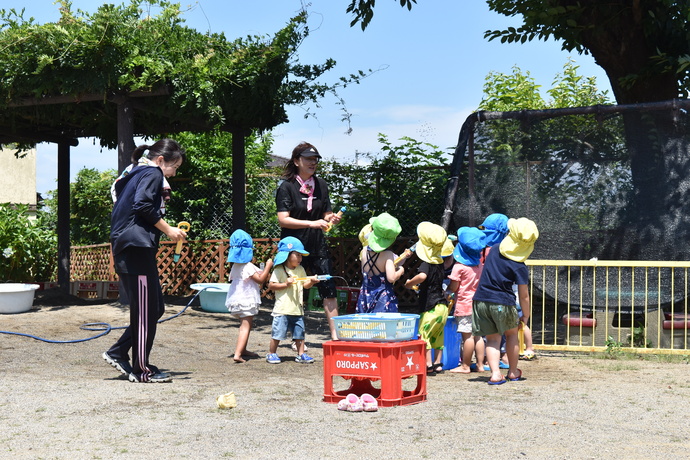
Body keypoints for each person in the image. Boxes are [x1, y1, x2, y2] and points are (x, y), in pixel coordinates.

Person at [102, 139, 187, 383]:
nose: (174, 172)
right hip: (134, 247)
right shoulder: (151, 172)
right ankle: (142, 370)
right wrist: (168, 229)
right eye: (175, 167)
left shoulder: (136, 172)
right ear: (161, 160)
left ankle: (118, 352)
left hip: (135, 248)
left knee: (154, 308)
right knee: (145, 311)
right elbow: (141, 206)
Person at [275, 142, 341, 340]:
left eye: (315, 160)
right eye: (308, 159)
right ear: (296, 161)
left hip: (317, 244)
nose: (313, 163)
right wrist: (311, 224)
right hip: (293, 246)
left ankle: (336, 337)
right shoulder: (286, 187)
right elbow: (283, 219)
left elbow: (326, 214)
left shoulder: (321, 185)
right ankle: (291, 339)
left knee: (328, 287)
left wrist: (332, 219)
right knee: (293, 289)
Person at [472, 217, 539, 385]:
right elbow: (524, 295)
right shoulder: (519, 266)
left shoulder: (493, 250)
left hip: (481, 300)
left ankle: (495, 374)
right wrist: (526, 315)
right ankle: (513, 371)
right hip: (503, 302)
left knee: (492, 339)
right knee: (511, 336)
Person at [404, 222, 449, 376]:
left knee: (424, 335)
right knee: (438, 336)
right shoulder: (440, 263)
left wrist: (410, 283)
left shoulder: (426, 263)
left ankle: (427, 365)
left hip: (430, 307)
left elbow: (422, 276)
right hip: (443, 307)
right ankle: (438, 363)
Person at [224, 229, 274, 363]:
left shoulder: (235, 265)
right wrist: (268, 266)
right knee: (245, 327)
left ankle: (243, 349)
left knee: (244, 325)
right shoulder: (248, 265)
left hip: (236, 299)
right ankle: (238, 354)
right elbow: (261, 279)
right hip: (246, 301)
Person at [267, 237, 318, 364]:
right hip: (282, 309)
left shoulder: (300, 269)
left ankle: (301, 354)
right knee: (278, 333)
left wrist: (311, 282)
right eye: (297, 255)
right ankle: (272, 353)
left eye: (301, 256)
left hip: (297, 309)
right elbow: (271, 286)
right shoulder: (279, 270)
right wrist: (285, 284)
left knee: (299, 334)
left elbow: (304, 285)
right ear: (288, 255)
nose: (300, 258)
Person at [447, 227, 487, 374]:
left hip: (464, 305)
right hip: (478, 304)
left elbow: (454, 286)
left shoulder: (459, 267)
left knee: (467, 337)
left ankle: (465, 365)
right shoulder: (479, 265)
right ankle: (481, 365)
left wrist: (448, 289)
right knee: (478, 336)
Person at [356, 213, 404, 313]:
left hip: (365, 295)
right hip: (383, 298)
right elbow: (391, 278)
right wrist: (400, 270)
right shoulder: (388, 254)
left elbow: (365, 271)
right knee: (383, 327)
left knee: (366, 326)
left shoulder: (365, 250)